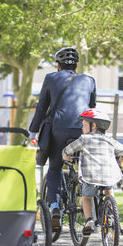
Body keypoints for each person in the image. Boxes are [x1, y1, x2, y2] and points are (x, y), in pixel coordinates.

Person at [29, 46, 96, 230]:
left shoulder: (51, 78)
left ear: (58, 65)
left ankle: (55, 208)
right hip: (82, 129)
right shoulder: (89, 80)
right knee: (85, 167)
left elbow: (42, 107)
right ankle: (89, 206)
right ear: (76, 65)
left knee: (55, 168)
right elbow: (92, 109)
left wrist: (32, 131)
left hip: (58, 129)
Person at [62, 108, 123, 236]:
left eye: (84, 124)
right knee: (109, 190)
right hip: (109, 176)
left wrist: (66, 156)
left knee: (86, 198)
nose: (82, 128)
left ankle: (89, 221)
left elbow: (68, 150)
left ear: (94, 125)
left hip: (90, 176)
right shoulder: (109, 140)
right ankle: (114, 218)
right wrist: (122, 157)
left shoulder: (84, 139)